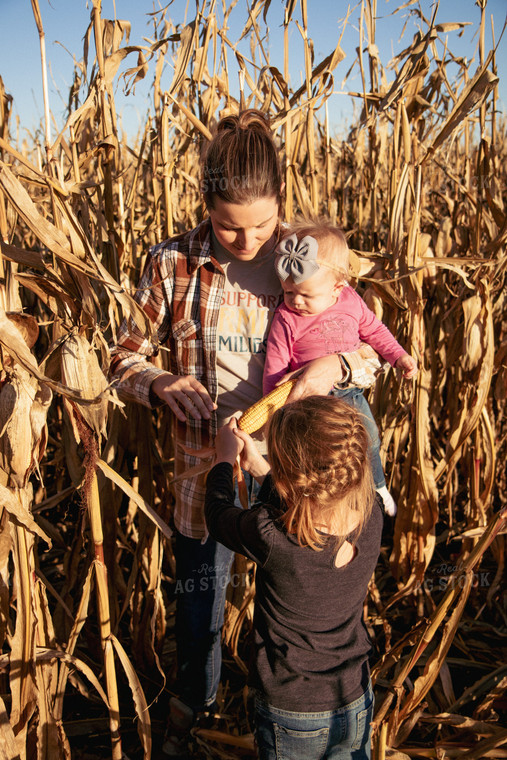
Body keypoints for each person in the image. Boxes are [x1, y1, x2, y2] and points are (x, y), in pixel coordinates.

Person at [109, 110, 377, 758]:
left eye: (262, 224)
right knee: (199, 607)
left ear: (281, 205)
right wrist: (158, 382)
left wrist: (335, 364)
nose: (249, 240)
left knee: (303, 614)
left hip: (296, 483)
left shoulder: (305, 257)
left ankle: (297, 714)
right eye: (230, 226)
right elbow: (119, 357)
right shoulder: (171, 263)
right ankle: (192, 713)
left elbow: (365, 354)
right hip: (209, 472)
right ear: (204, 205)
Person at [205, 395, 382, 760]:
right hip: (354, 697)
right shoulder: (372, 514)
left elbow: (217, 514)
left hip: (292, 711)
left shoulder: (269, 534)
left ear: (291, 478)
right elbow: (310, 501)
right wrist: (261, 468)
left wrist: (224, 460)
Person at [263, 218, 418, 516]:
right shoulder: (286, 317)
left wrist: (399, 356)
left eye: (305, 295)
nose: (295, 301)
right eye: (288, 292)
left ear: (337, 288)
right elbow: (275, 365)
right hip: (311, 403)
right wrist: (272, 414)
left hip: (349, 394)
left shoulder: (351, 301)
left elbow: (376, 332)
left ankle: (378, 487)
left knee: (369, 438)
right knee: (321, 460)